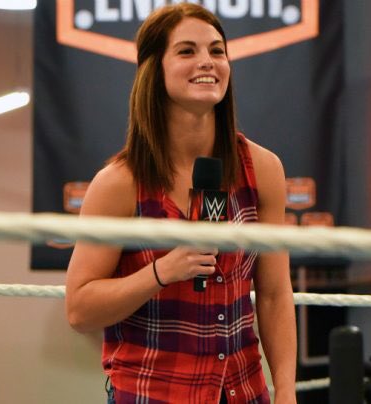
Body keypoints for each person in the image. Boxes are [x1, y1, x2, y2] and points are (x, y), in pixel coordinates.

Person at [65, 3, 296, 403]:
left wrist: (287, 390)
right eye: (187, 51)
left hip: (242, 391)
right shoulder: (119, 183)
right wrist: (161, 272)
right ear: (154, 70)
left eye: (217, 51)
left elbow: (274, 293)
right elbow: (79, 310)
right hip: (152, 393)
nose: (207, 61)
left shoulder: (262, 169)